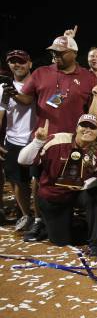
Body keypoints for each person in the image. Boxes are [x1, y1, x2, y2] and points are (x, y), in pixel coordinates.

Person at [18, 115, 97, 251]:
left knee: (96, 196)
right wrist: (37, 142)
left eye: (92, 127)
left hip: (78, 193)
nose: (87, 130)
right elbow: (23, 160)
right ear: (76, 128)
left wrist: (83, 185)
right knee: (62, 241)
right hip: (54, 195)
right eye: (84, 125)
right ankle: (53, 225)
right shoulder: (57, 140)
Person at [13, 35, 97, 136]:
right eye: (54, 52)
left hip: (73, 138)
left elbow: (92, 112)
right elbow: (27, 99)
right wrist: (13, 93)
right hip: (43, 136)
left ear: (74, 53)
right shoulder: (41, 72)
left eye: (61, 52)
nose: (56, 55)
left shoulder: (89, 77)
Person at [1, 50, 36, 232]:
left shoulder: (39, 83)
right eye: (13, 62)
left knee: (37, 181)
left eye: (21, 62)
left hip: (36, 140)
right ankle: (26, 216)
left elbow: (29, 100)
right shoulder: (3, 88)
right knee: (17, 182)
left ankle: (39, 217)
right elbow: (0, 115)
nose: (17, 65)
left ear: (30, 63)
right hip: (13, 140)